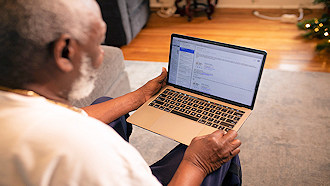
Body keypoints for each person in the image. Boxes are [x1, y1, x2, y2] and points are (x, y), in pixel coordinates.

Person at [0, 0, 241, 185]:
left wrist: (140, 96)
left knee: (107, 104)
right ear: (65, 52)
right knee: (218, 147)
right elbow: (75, 131)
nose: (101, 54)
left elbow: (72, 117)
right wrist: (196, 162)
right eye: (97, 42)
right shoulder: (89, 148)